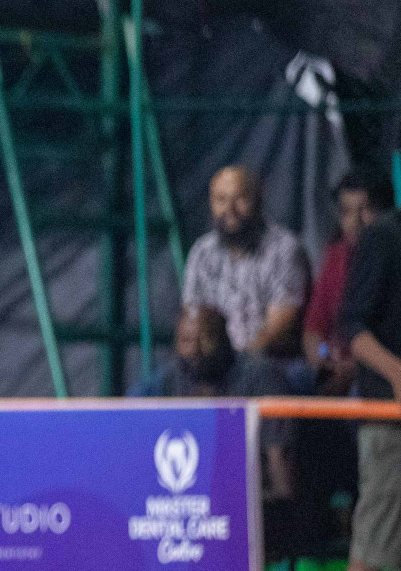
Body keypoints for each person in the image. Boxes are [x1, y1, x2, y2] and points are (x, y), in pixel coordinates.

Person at [331, 208, 401, 571]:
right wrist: (398, 374)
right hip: (391, 423)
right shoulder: (385, 237)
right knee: (372, 550)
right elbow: (350, 328)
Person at [129, 305, 295, 500]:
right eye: (186, 340)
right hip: (187, 503)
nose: (195, 350)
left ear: (225, 339)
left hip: (254, 502)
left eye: (206, 339)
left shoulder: (261, 376)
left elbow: (281, 467)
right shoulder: (168, 381)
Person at [181, 165, 310, 365]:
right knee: (147, 390)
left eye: (240, 199)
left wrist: (236, 365)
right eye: (221, 200)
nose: (230, 209)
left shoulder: (284, 249)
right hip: (212, 364)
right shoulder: (202, 251)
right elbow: (194, 317)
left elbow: (279, 326)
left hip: (269, 361)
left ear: (258, 200)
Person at [304, 172, 386, 395]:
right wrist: (325, 357)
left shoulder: (390, 258)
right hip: (334, 364)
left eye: (366, 209)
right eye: (346, 212)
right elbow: (314, 331)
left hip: (376, 369)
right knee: (292, 378)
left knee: (360, 390)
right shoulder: (336, 255)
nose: (356, 221)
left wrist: (353, 368)